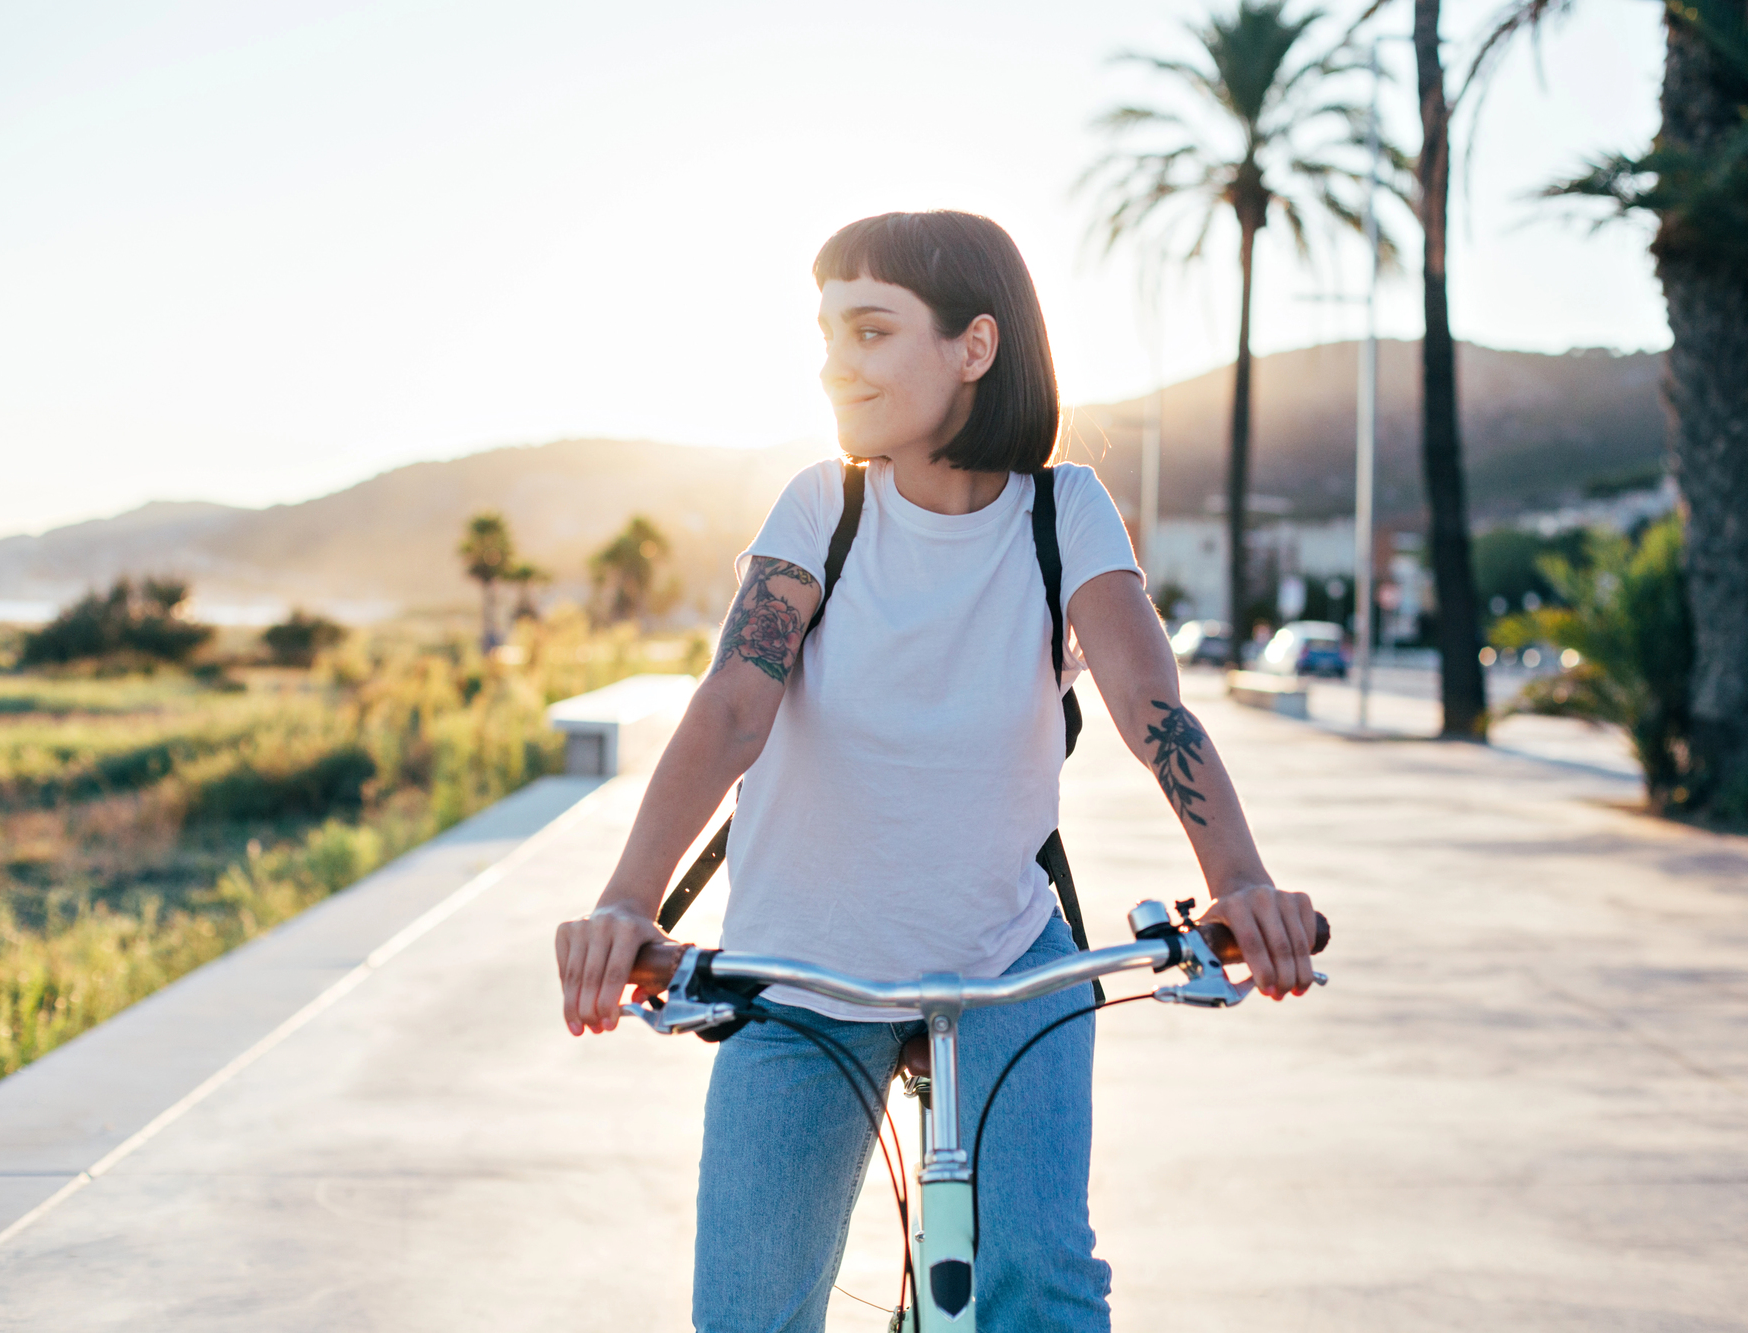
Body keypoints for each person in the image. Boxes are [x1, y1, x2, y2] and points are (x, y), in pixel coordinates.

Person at [554, 210, 1317, 1333]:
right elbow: (730, 704)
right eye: (827, 334)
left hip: (1001, 956)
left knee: (1043, 1290)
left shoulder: (1065, 514)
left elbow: (1150, 703)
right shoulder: (826, 506)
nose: (836, 362)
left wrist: (1240, 880)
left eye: (871, 329)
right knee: (749, 1317)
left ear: (975, 346)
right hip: (801, 975)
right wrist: (626, 899)